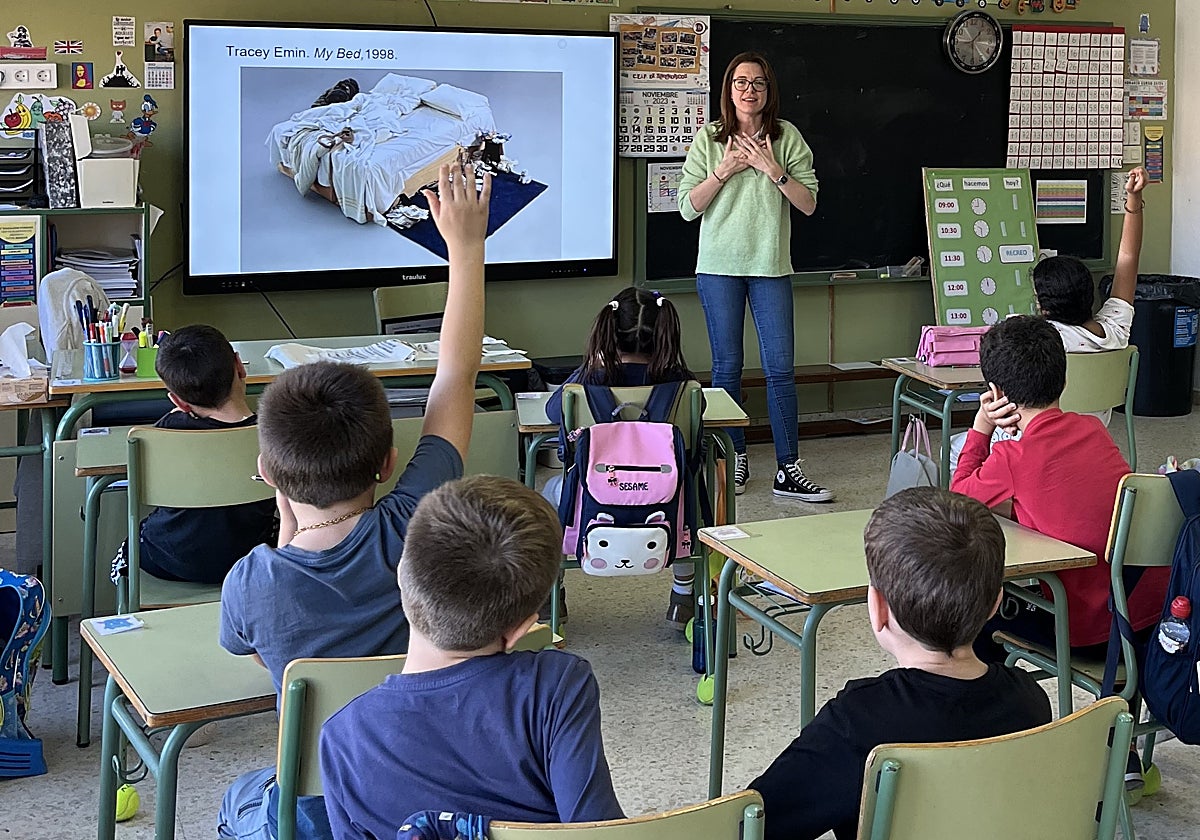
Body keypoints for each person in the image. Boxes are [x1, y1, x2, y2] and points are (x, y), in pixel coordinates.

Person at [216, 163, 490, 840]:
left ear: (267, 471)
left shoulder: (254, 581)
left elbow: (275, 665)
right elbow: (456, 374)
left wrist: (286, 534)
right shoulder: (414, 532)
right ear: (389, 463)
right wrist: (466, 248)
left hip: (315, 815)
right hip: (423, 804)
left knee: (240, 799)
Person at [319, 476, 624, 839]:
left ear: (402, 575)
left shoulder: (341, 737)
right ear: (522, 628)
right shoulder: (557, 686)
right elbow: (598, 832)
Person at [749, 487, 1051, 840]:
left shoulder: (857, 723)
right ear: (995, 602)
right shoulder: (1031, 701)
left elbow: (753, 824)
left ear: (877, 608)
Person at [950, 315, 1169, 663]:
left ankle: (1004, 708)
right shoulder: (1094, 429)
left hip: (1091, 632)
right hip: (1152, 619)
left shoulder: (1013, 456)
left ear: (997, 393)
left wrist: (982, 424)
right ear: (1065, 380)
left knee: (976, 616)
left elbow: (958, 497)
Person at [678, 51, 831, 503]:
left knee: (780, 370)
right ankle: (733, 457)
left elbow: (808, 204)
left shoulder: (786, 138)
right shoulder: (709, 139)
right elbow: (688, 208)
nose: (749, 90)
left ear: (769, 92)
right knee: (727, 368)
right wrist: (725, 170)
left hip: (770, 268)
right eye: (741, 82)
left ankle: (788, 469)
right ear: (728, 90)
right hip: (718, 269)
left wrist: (771, 169)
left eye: (758, 83)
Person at [947, 166, 1151, 474]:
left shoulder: (1034, 339)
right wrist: (1133, 200)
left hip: (1027, 443)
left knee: (953, 449)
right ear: (1088, 294)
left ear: (1042, 307)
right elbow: (1128, 259)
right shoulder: (1115, 330)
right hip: (1087, 443)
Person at [544, 286, 697, 627]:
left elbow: (553, 410)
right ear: (665, 336)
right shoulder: (683, 386)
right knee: (693, 497)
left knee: (547, 495)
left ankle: (551, 595)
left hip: (593, 501)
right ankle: (684, 599)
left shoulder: (586, 384)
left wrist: (589, 365)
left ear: (607, 334)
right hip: (668, 505)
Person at [108, 324, 277, 587]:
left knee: (133, 542)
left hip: (169, 561)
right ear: (240, 367)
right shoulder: (277, 435)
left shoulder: (165, 433)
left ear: (178, 401)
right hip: (250, 559)